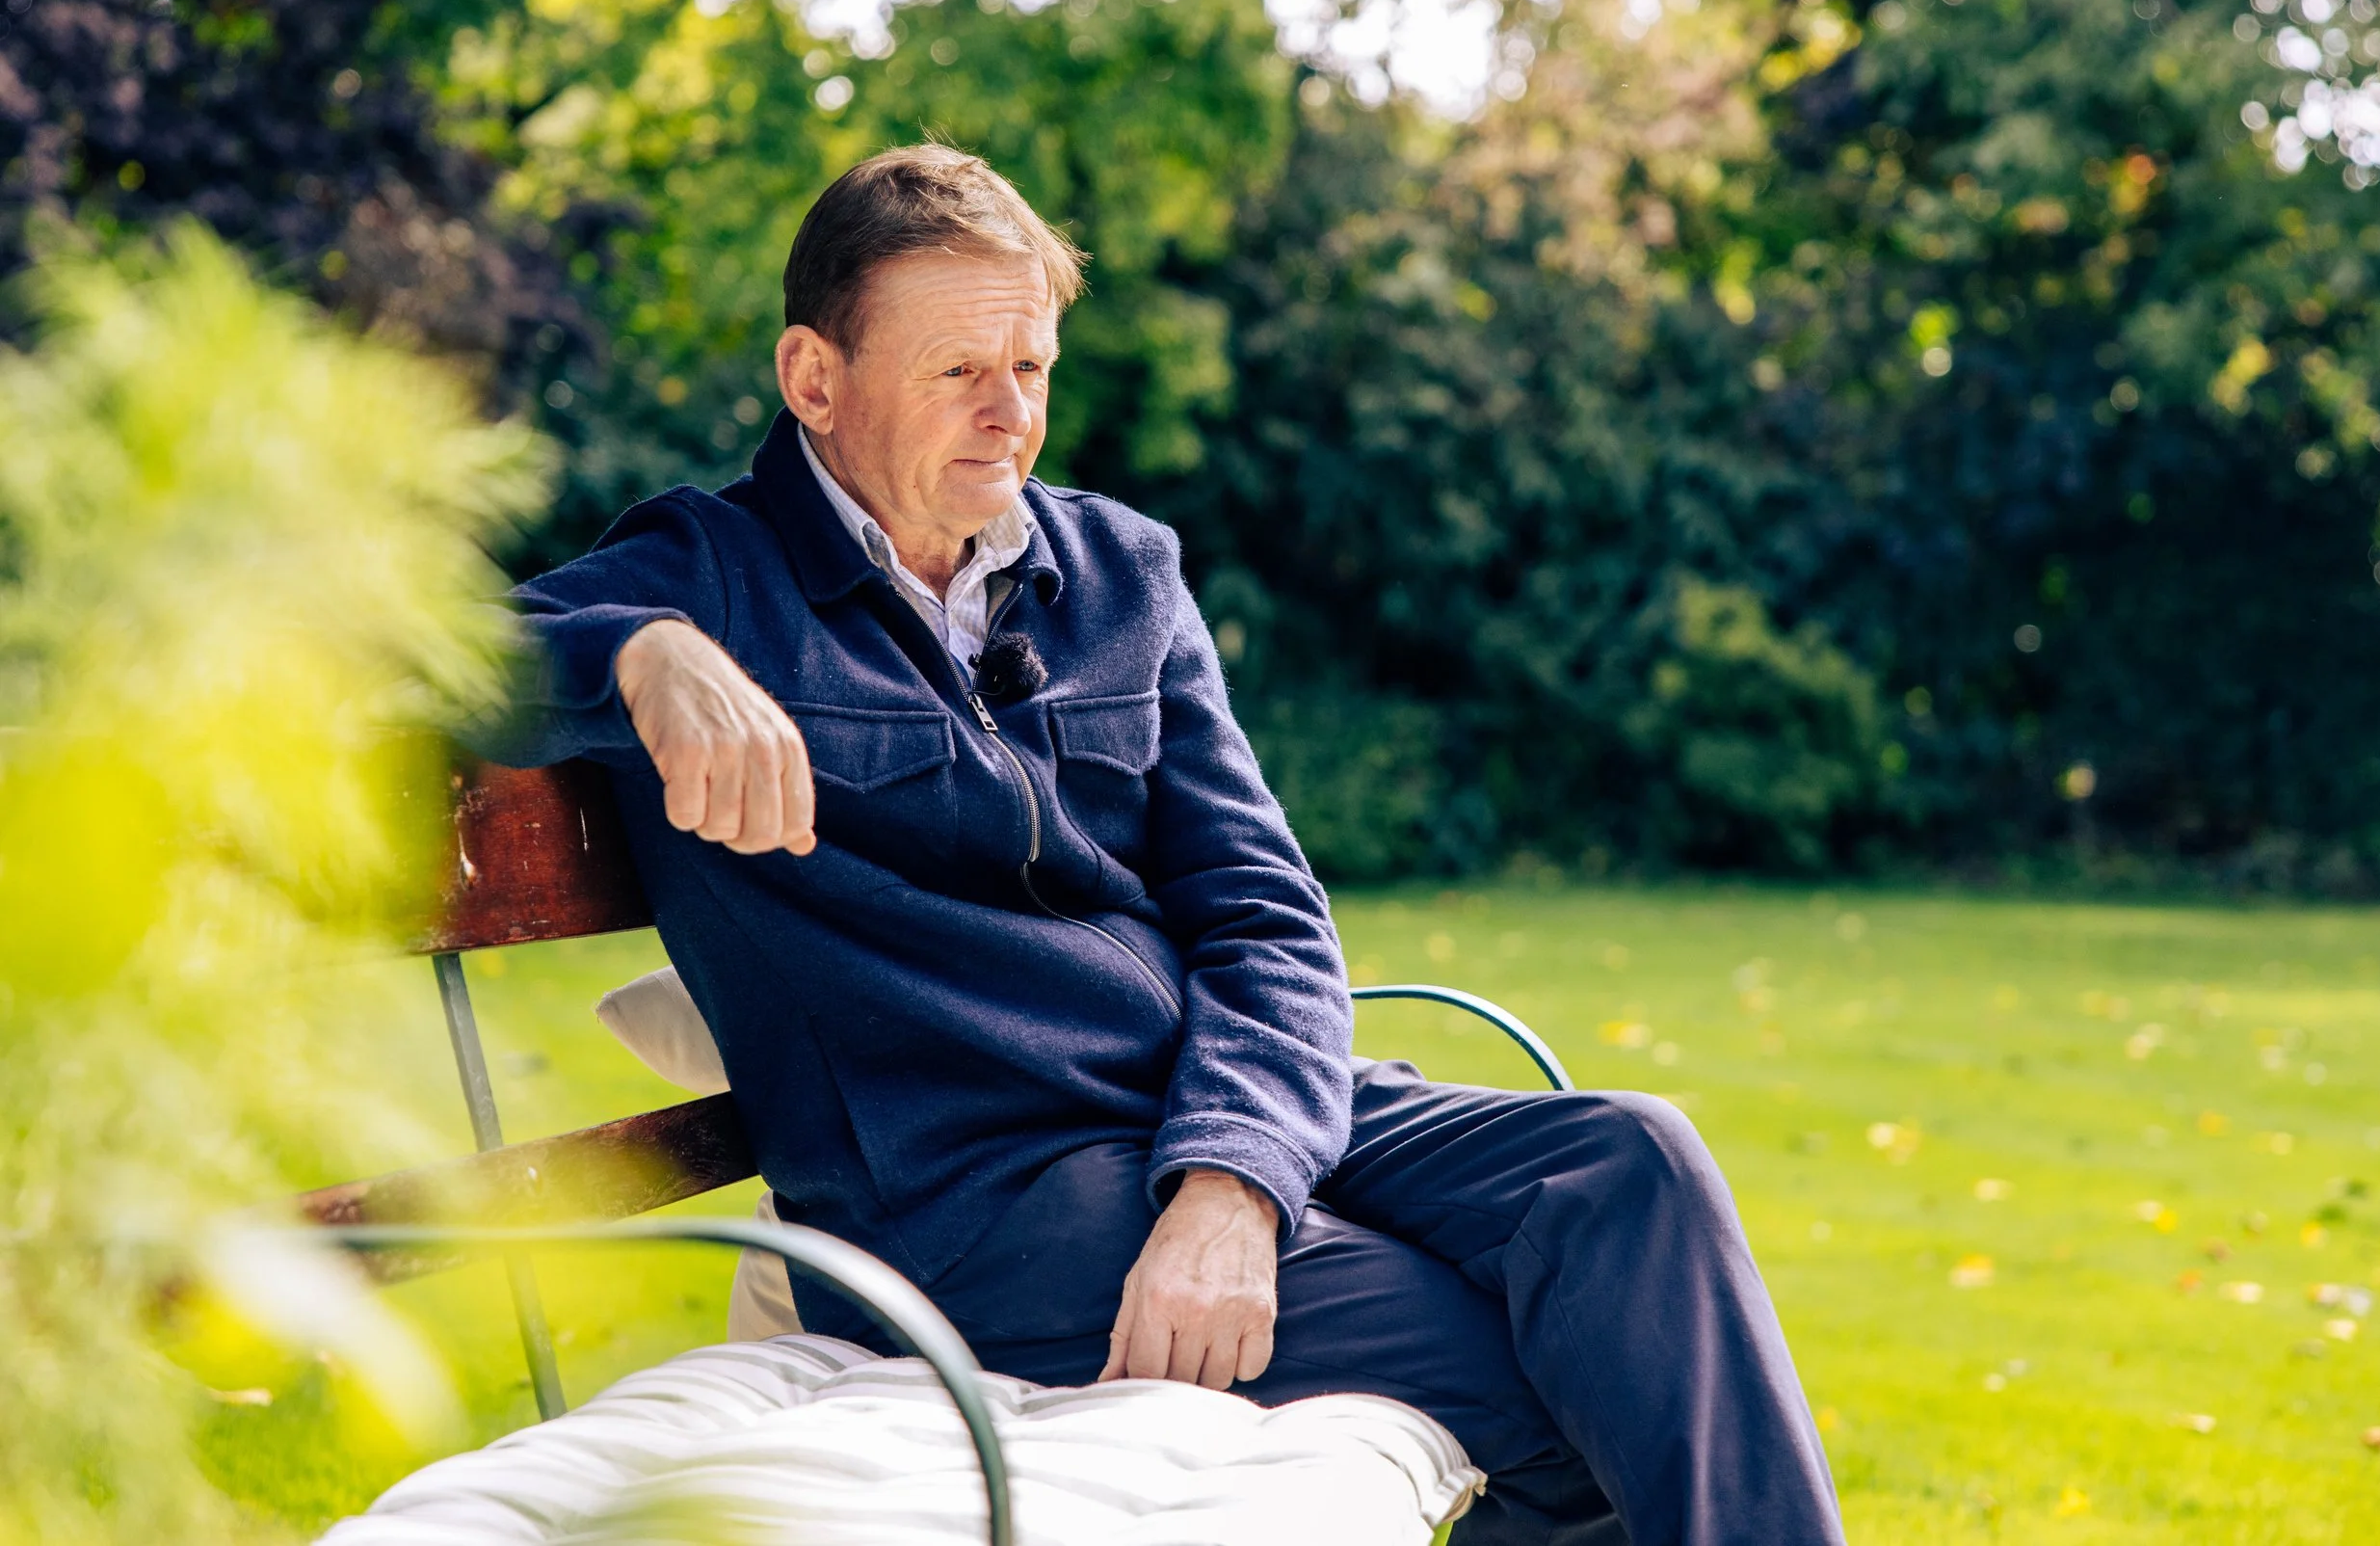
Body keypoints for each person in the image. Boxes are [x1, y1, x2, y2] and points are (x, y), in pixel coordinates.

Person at [497, 144, 1846, 1546]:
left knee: (1630, 1164)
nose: (1008, 414)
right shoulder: (710, 574)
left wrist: (1233, 1178)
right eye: (958, 370)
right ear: (814, 379)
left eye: (1031, 367)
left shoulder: (1119, 573)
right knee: (1571, 1382)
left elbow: (1264, 910)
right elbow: (421, 646)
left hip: (1198, 1106)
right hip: (973, 1199)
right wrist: (642, 653)